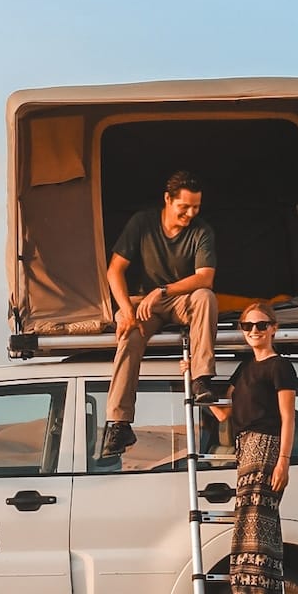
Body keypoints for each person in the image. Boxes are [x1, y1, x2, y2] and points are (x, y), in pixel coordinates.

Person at [100, 170, 219, 459]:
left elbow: (205, 278)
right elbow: (115, 270)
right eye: (184, 207)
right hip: (143, 304)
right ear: (168, 199)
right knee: (127, 336)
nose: (190, 213)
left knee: (206, 297)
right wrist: (127, 311)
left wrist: (163, 291)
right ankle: (119, 423)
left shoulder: (202, 231)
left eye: (196, 207)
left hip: (180, 299)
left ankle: (201, 379)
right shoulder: (142, 223)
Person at [201, 301, 297, 594]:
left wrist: (284, 461)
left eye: (260, 325)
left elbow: (288, 417)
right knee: (256, 528)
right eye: (247, 326)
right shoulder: (244, 370)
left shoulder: (280, 366)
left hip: (267, 447)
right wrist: (193, 380)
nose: (254, 331)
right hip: (245, 450)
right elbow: (225, 414)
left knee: (255, 527)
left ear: (273, 328)